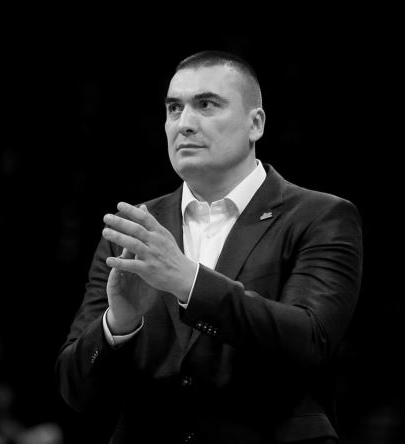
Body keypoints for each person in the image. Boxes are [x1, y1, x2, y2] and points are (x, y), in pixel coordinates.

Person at [55, 50, 363, 443]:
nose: (184, 123)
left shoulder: (320, 216)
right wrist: (118, 326)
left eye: (206, 105)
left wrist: (190, 283)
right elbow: (75, 390)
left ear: (255, 124)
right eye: (174, 108)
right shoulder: (133, 228)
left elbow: (311, 339)